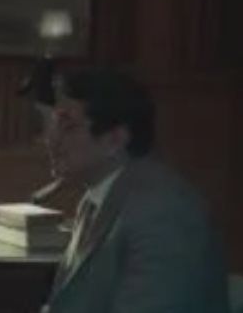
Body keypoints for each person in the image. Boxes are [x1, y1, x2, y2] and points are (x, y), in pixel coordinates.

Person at [43, 69, 229, 313]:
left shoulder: (163, 211)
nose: (51, 139)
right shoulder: (96, 198)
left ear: (115, 139)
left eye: (68, 127)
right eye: (53, 124)